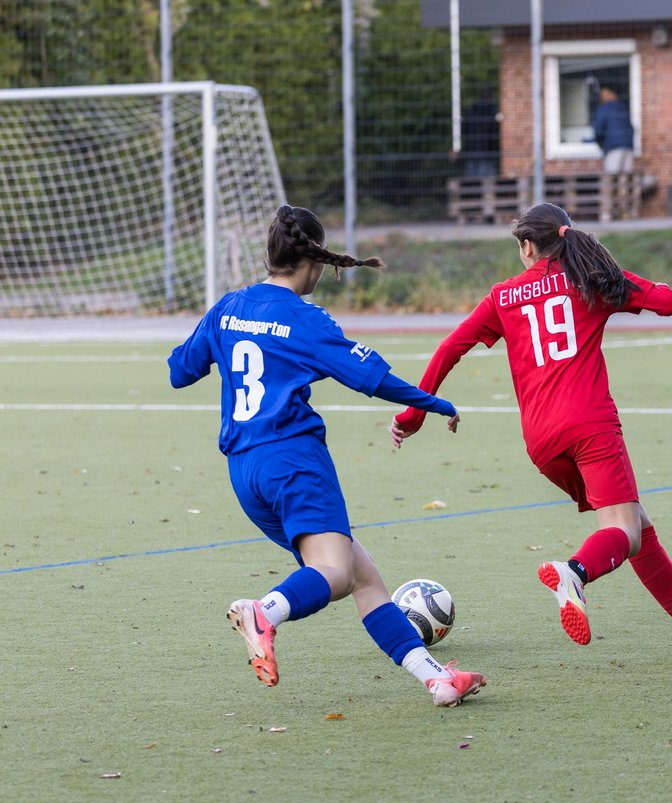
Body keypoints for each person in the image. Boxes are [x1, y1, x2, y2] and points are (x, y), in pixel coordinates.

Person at [167, 204, 486, 707]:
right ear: (313, 262)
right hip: (293, 461)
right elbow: (370, 377)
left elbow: (179, 371)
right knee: (335, 574)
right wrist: (434, 402)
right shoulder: (305, 319)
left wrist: (220, 333)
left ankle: (437, 679)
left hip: (245, 472)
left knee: (363, 576)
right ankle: (264, 612)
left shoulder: (228, 306)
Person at [390, 203, 672, 661]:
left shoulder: (503, 295)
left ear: (528, 245)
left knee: (636, 525)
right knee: (624, 534)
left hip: (542, 442)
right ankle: (574, 572)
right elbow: (668, 302)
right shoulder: (590, 280)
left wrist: (413, 417)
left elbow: (450, 348)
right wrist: (613, 272)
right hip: (590, 426)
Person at [457, 89, 501, 179]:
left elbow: (463, 131)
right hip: (487, 154)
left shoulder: (469, 111)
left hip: (471, 153)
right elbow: (496, 132)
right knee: (487, 182)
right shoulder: (492, 112)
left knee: (472, 183)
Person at [591, 85, 635, 174]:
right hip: (628, 148)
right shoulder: (623, 108)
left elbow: (598, 131)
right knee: (625, 181)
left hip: (613, 149)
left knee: (610, 179)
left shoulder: (603, 109)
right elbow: (631, 129)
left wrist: (601, 145)